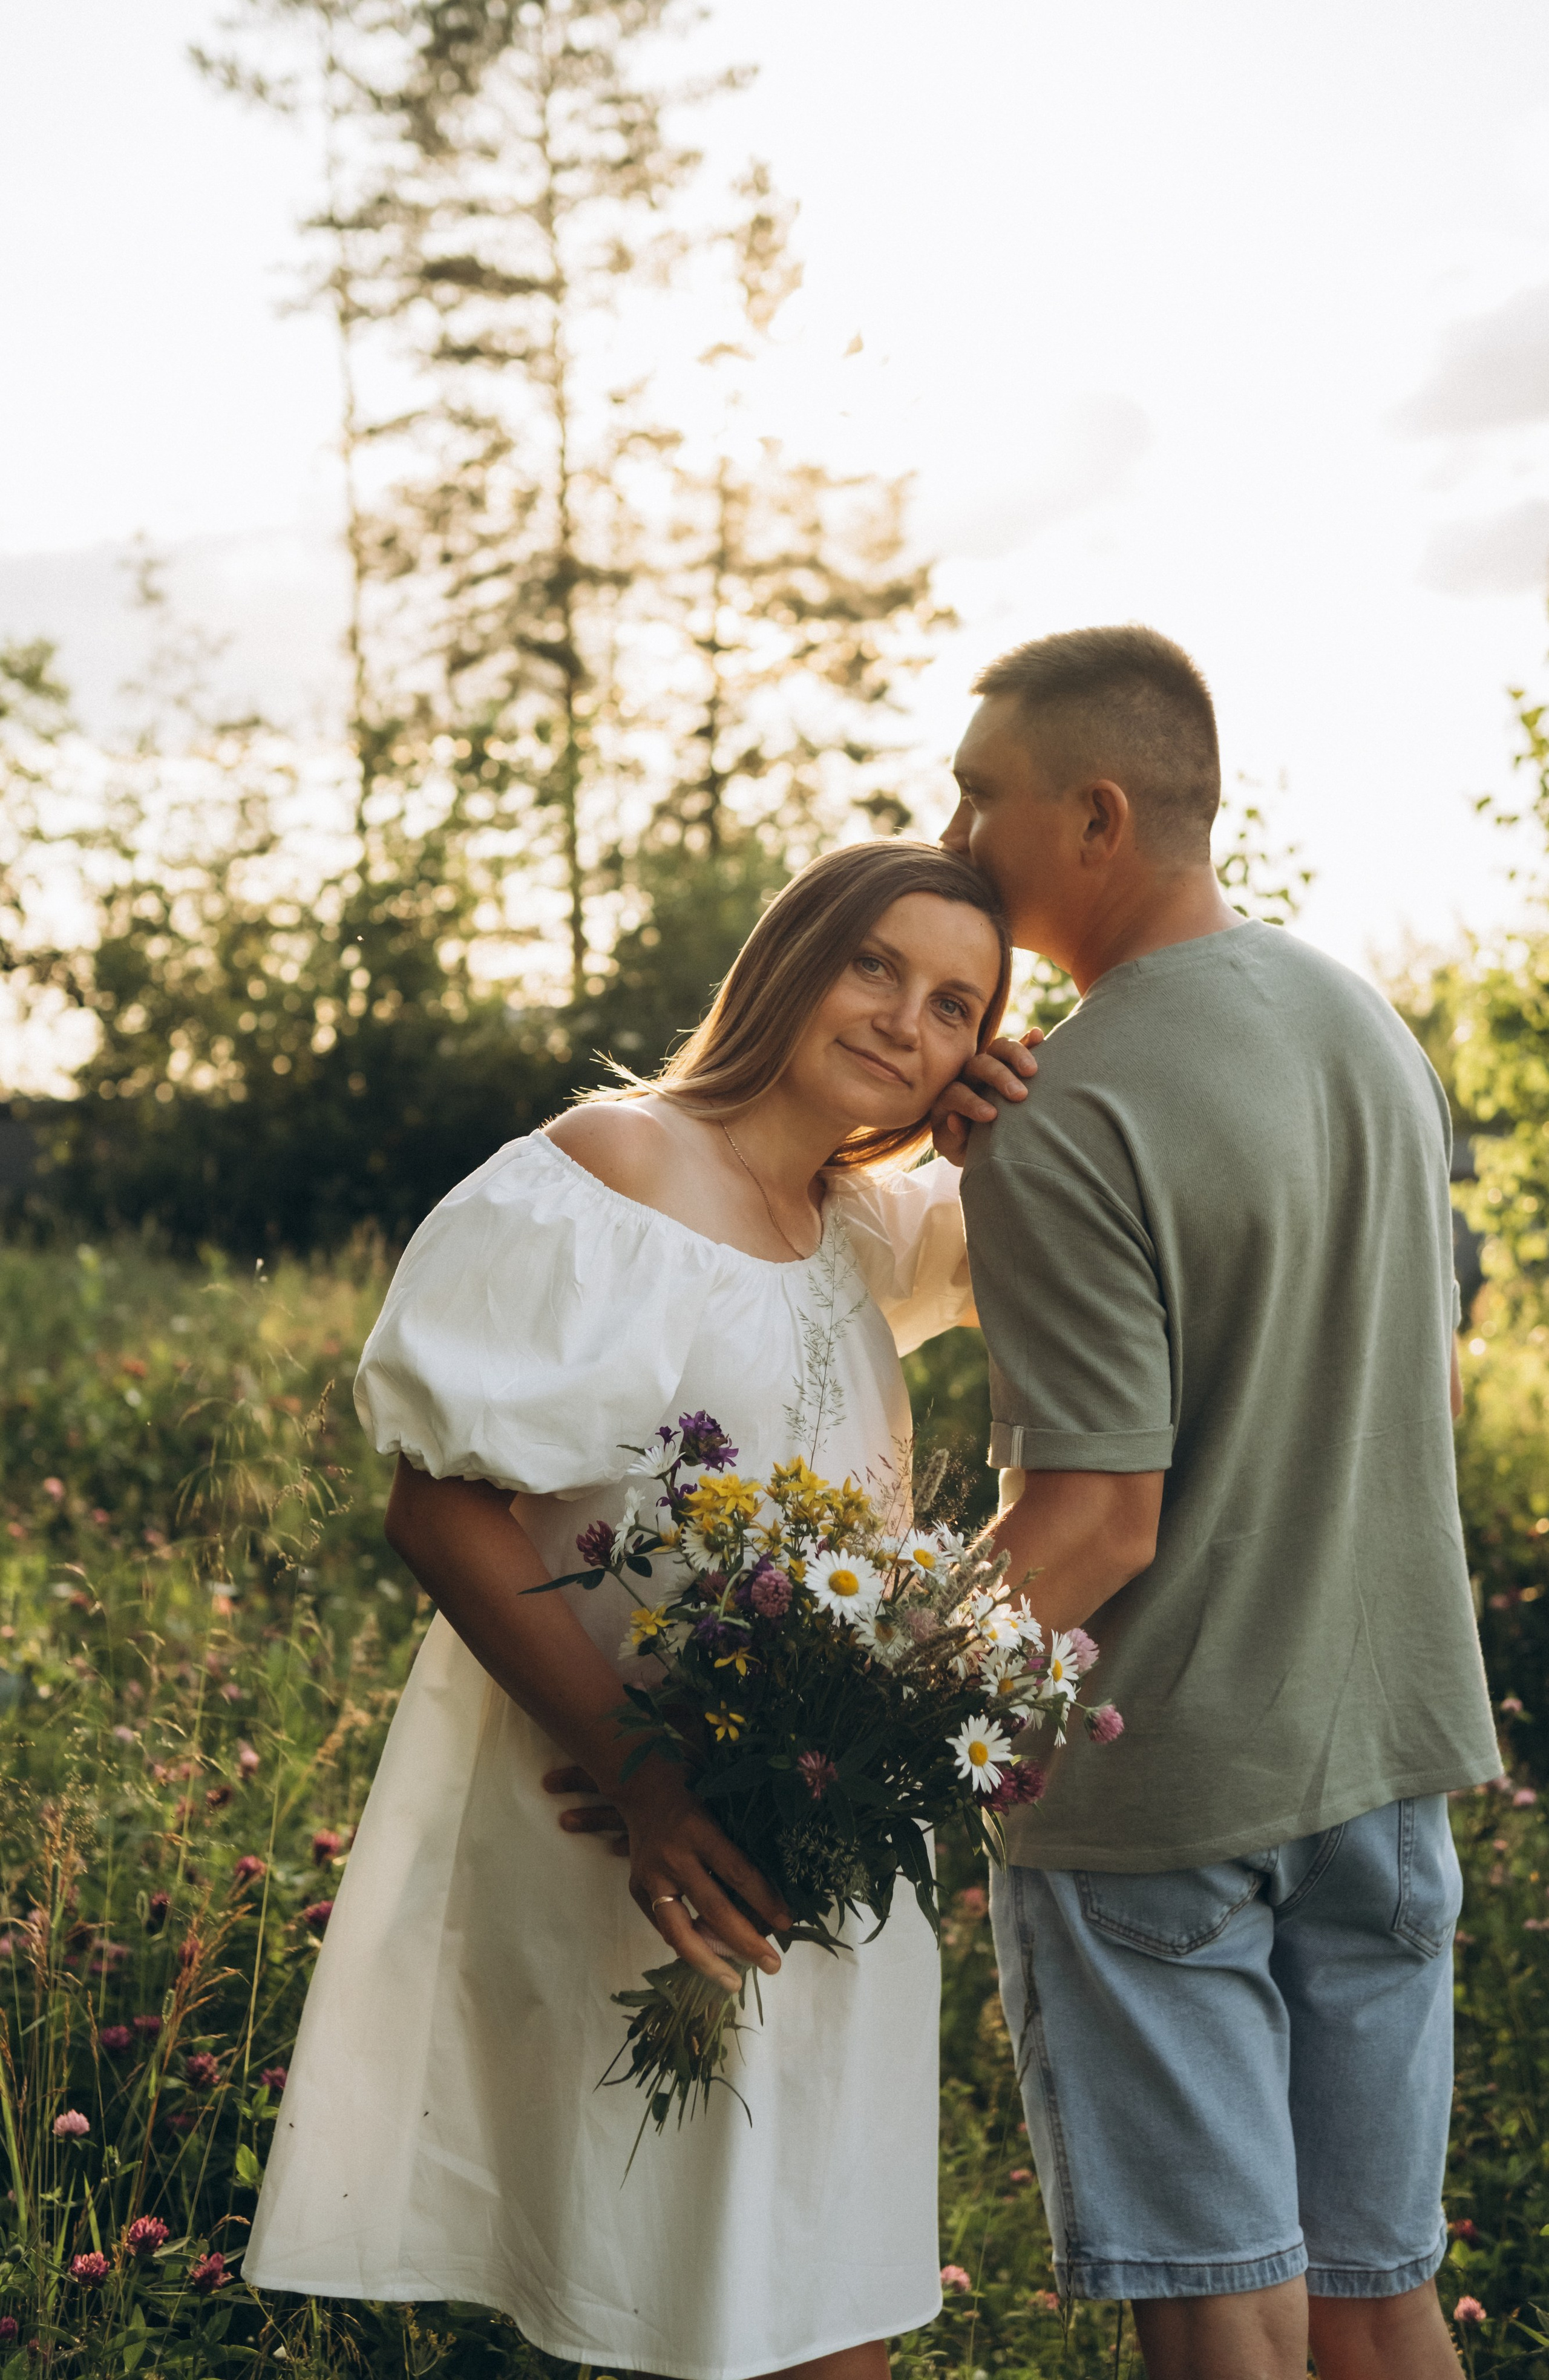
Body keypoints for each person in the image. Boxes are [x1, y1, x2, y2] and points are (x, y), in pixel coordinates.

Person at [244, 839, 1027, 2380]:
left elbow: (1020, 1225)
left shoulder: (852, 1221)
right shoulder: (617, 1164)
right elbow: (436, 1504)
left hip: (800, 1821)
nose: (902, 1019)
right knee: (684, 2303)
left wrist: (1007, 1110)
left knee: (806, 2294)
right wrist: (646, 1775)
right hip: (628, 1820)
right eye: (873, 964)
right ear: (789, 956)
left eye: (954, 1006)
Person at [937, 623, 1501, 2380]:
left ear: (1095, 815)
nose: (952, 833)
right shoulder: (1363, 1024)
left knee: (1219, 2312)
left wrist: (855, 1707)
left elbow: (1097, 1522)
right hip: (1388, 1762)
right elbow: (1402, 1379)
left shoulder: (1062, 1109)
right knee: (1374, 2298)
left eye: (980, 793)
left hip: (1163, 1791)